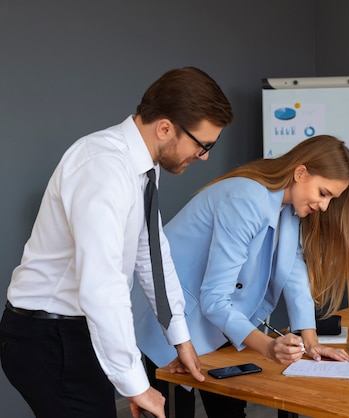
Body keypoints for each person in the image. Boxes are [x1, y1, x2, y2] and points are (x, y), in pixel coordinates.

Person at [0, 67, 234, 418]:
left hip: (76, 330)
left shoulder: (142, 167)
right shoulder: (103, 167)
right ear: (166, 127)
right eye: (203, 145)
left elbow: (151, 257)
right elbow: (102, 284)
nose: (204, 157)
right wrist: (136, 384)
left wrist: (181, 339)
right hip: (47, 335)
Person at [133, 134, 349, 417]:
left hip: (215, 323)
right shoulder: (247, 199)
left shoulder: (288, 210)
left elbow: (294, 272)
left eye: (331, 199)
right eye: (323, 193)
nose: (324, 207)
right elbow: (214, 297)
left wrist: (311, 343)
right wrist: (269, 347)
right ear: (300, 172)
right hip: (172, 319)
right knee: (175, 410)